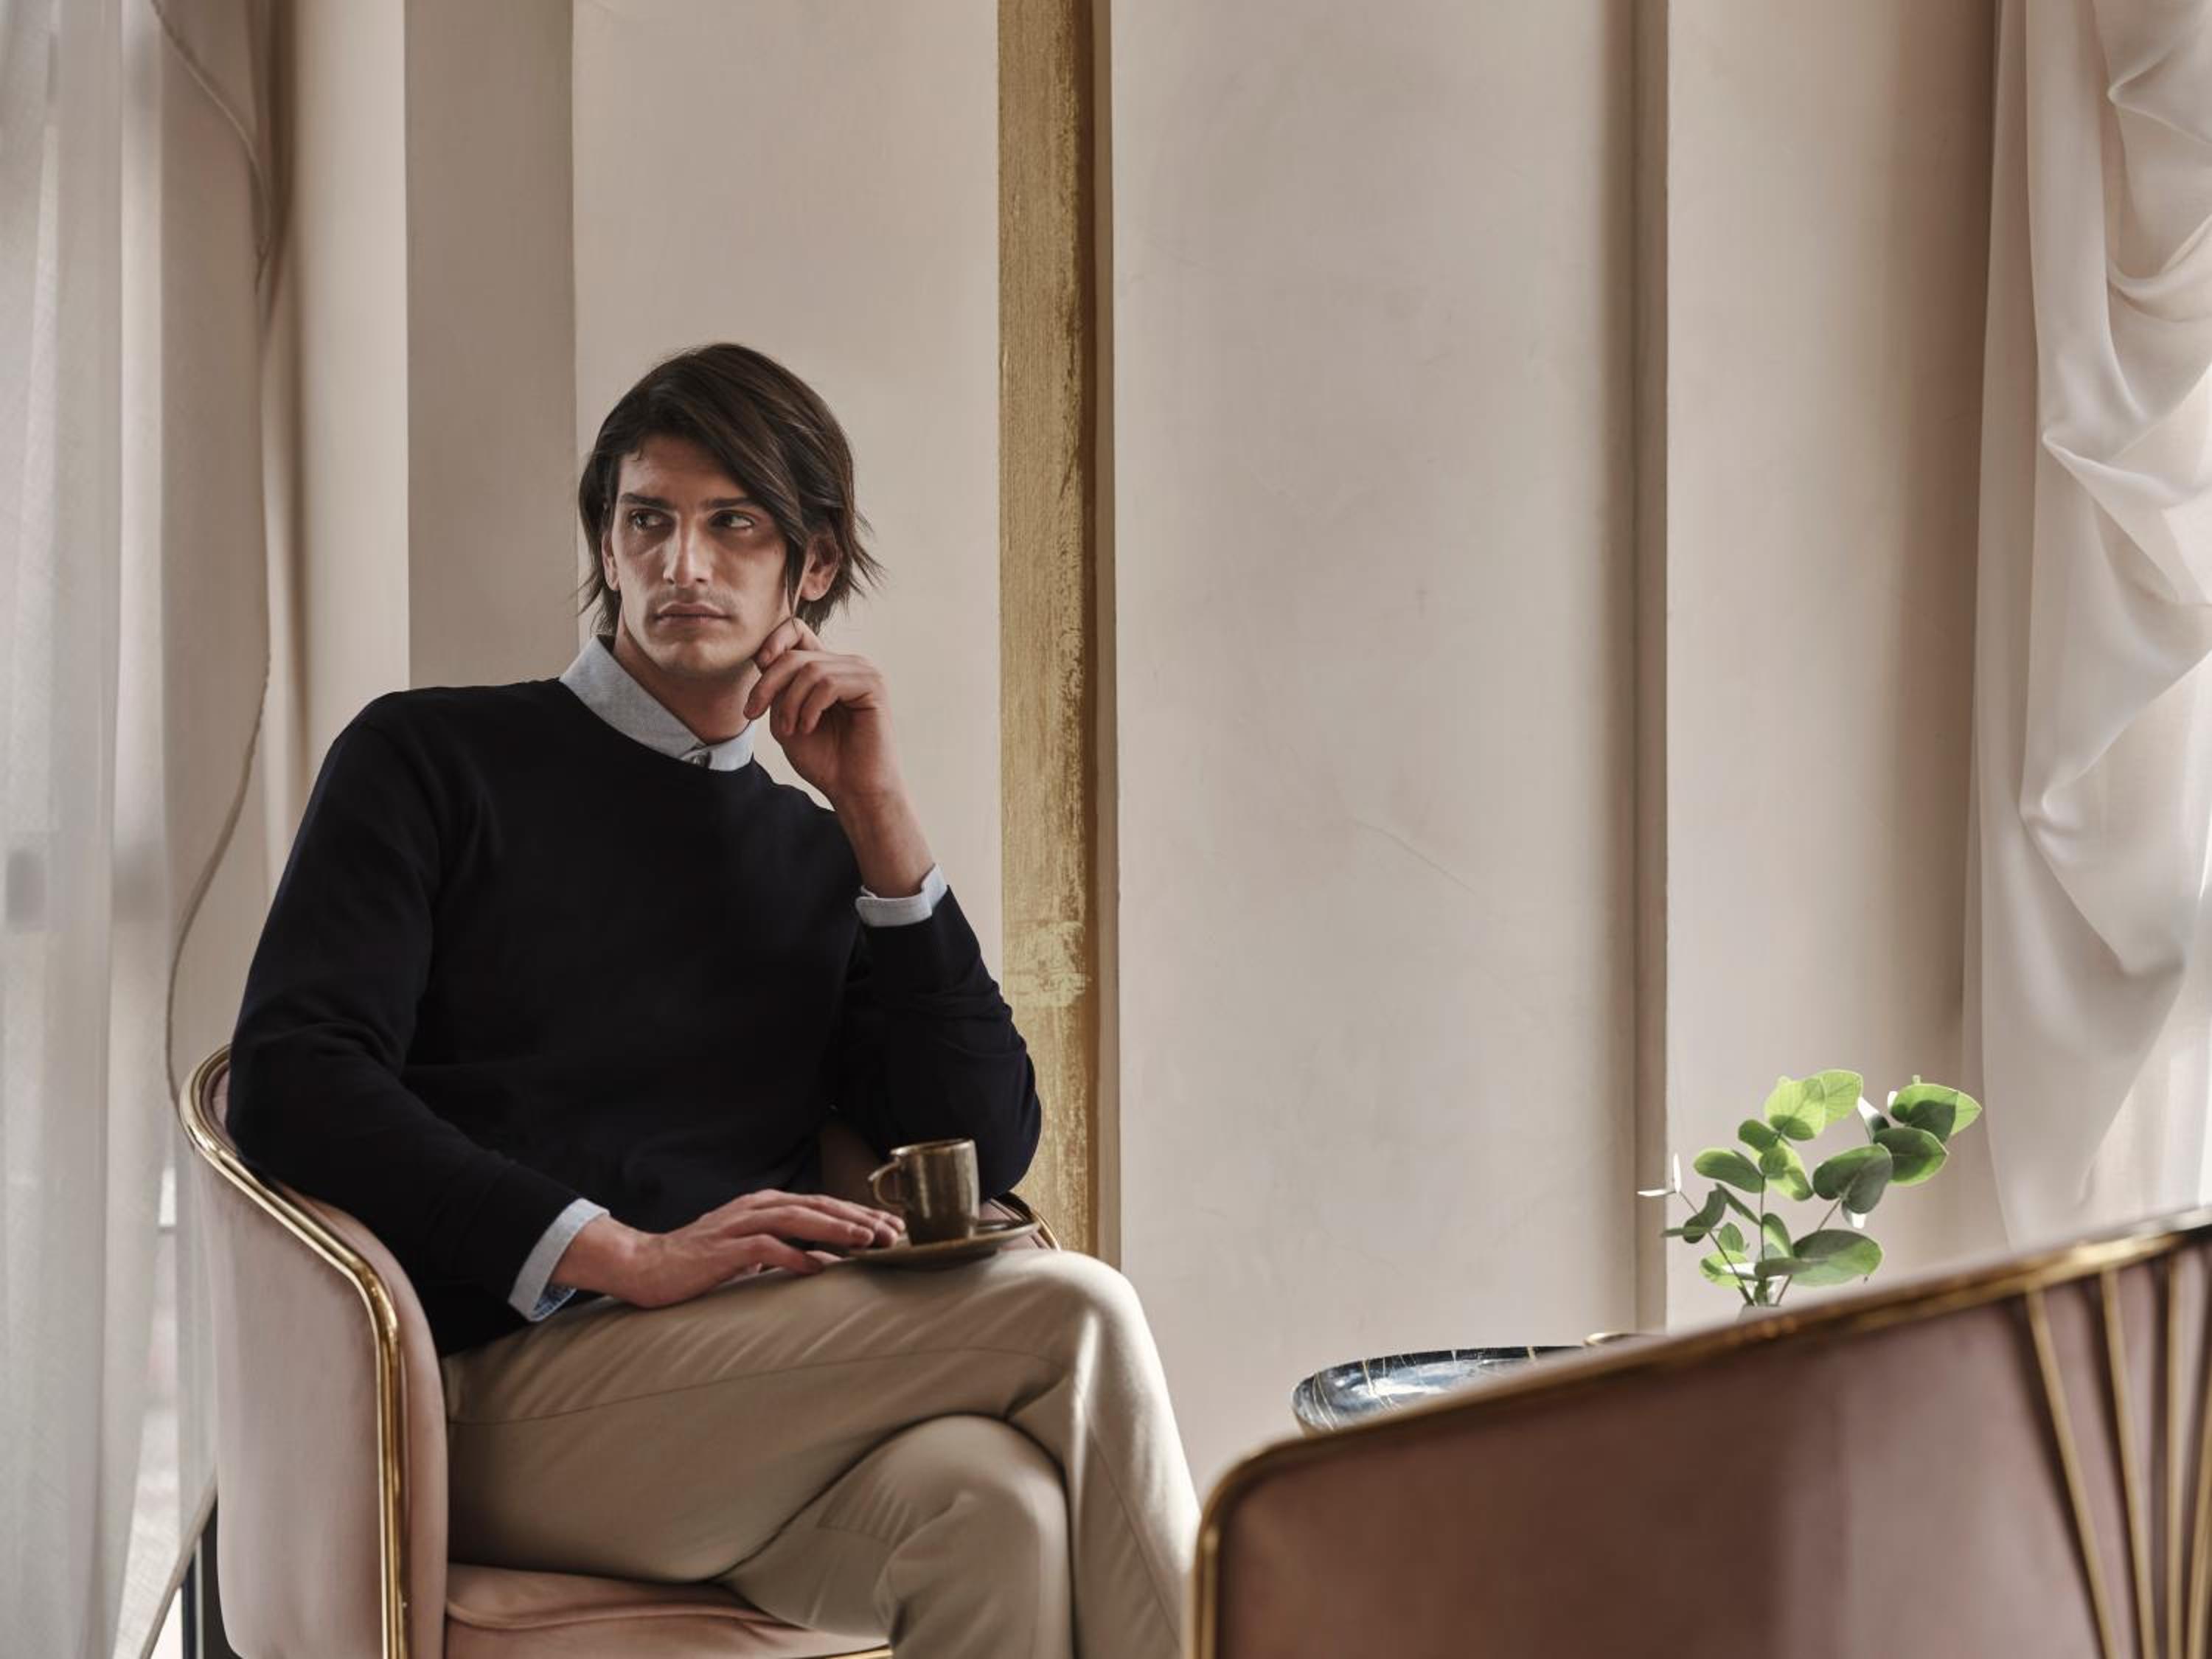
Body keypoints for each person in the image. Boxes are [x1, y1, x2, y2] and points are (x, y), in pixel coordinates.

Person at [225, 341, 1200, 1658]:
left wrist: (877, 815)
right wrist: (622, 1253)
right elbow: (294, 1081)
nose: (683, 563)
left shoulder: (815, 855)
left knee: (997, 1511)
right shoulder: (431, 758)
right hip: (490, 1403)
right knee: (1075, 1308)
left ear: (813, 564)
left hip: (756, 1404)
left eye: (733, 523)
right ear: (608, 546)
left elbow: (979, 1142)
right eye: (649, 521)